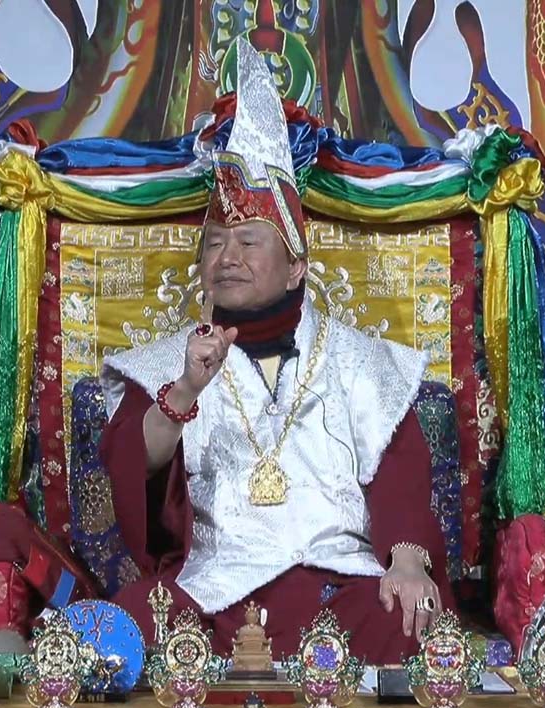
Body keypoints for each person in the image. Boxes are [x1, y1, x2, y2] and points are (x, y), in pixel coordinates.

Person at [98, 38, 451, 663]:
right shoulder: (166, 363)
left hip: (337, 581)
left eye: (248, 242)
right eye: (214, 243)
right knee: (117, 633)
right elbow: (132, 468)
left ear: (295, 268)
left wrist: (406, 561)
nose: (226, 258)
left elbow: (402, 478)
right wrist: (185, 391)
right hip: (215, 589)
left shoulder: (361, 362)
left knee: (405, 620)